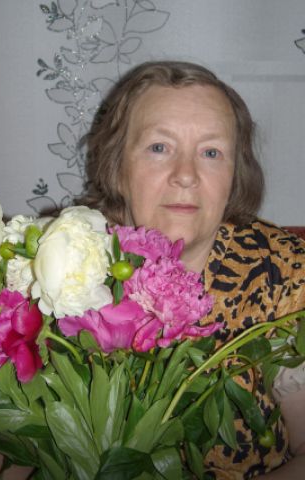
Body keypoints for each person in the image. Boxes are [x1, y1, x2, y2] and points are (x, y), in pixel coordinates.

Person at [78, 60, 305, 479]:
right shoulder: (63, 265)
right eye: (159, 147)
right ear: (117, 166)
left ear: (234, 175)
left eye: (211, 153)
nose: (186, 175)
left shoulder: (281, 270)